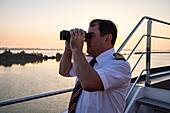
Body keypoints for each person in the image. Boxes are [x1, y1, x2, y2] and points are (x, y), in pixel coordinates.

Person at [59, 19, 131, 113]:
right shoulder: (88, 61)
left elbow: (89, 83)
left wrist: (77, 50)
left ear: (107, 39)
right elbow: (64, 71)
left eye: (91, 36)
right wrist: (68, 49)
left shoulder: (120, 66)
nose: (86, 40)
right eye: (86, 35)